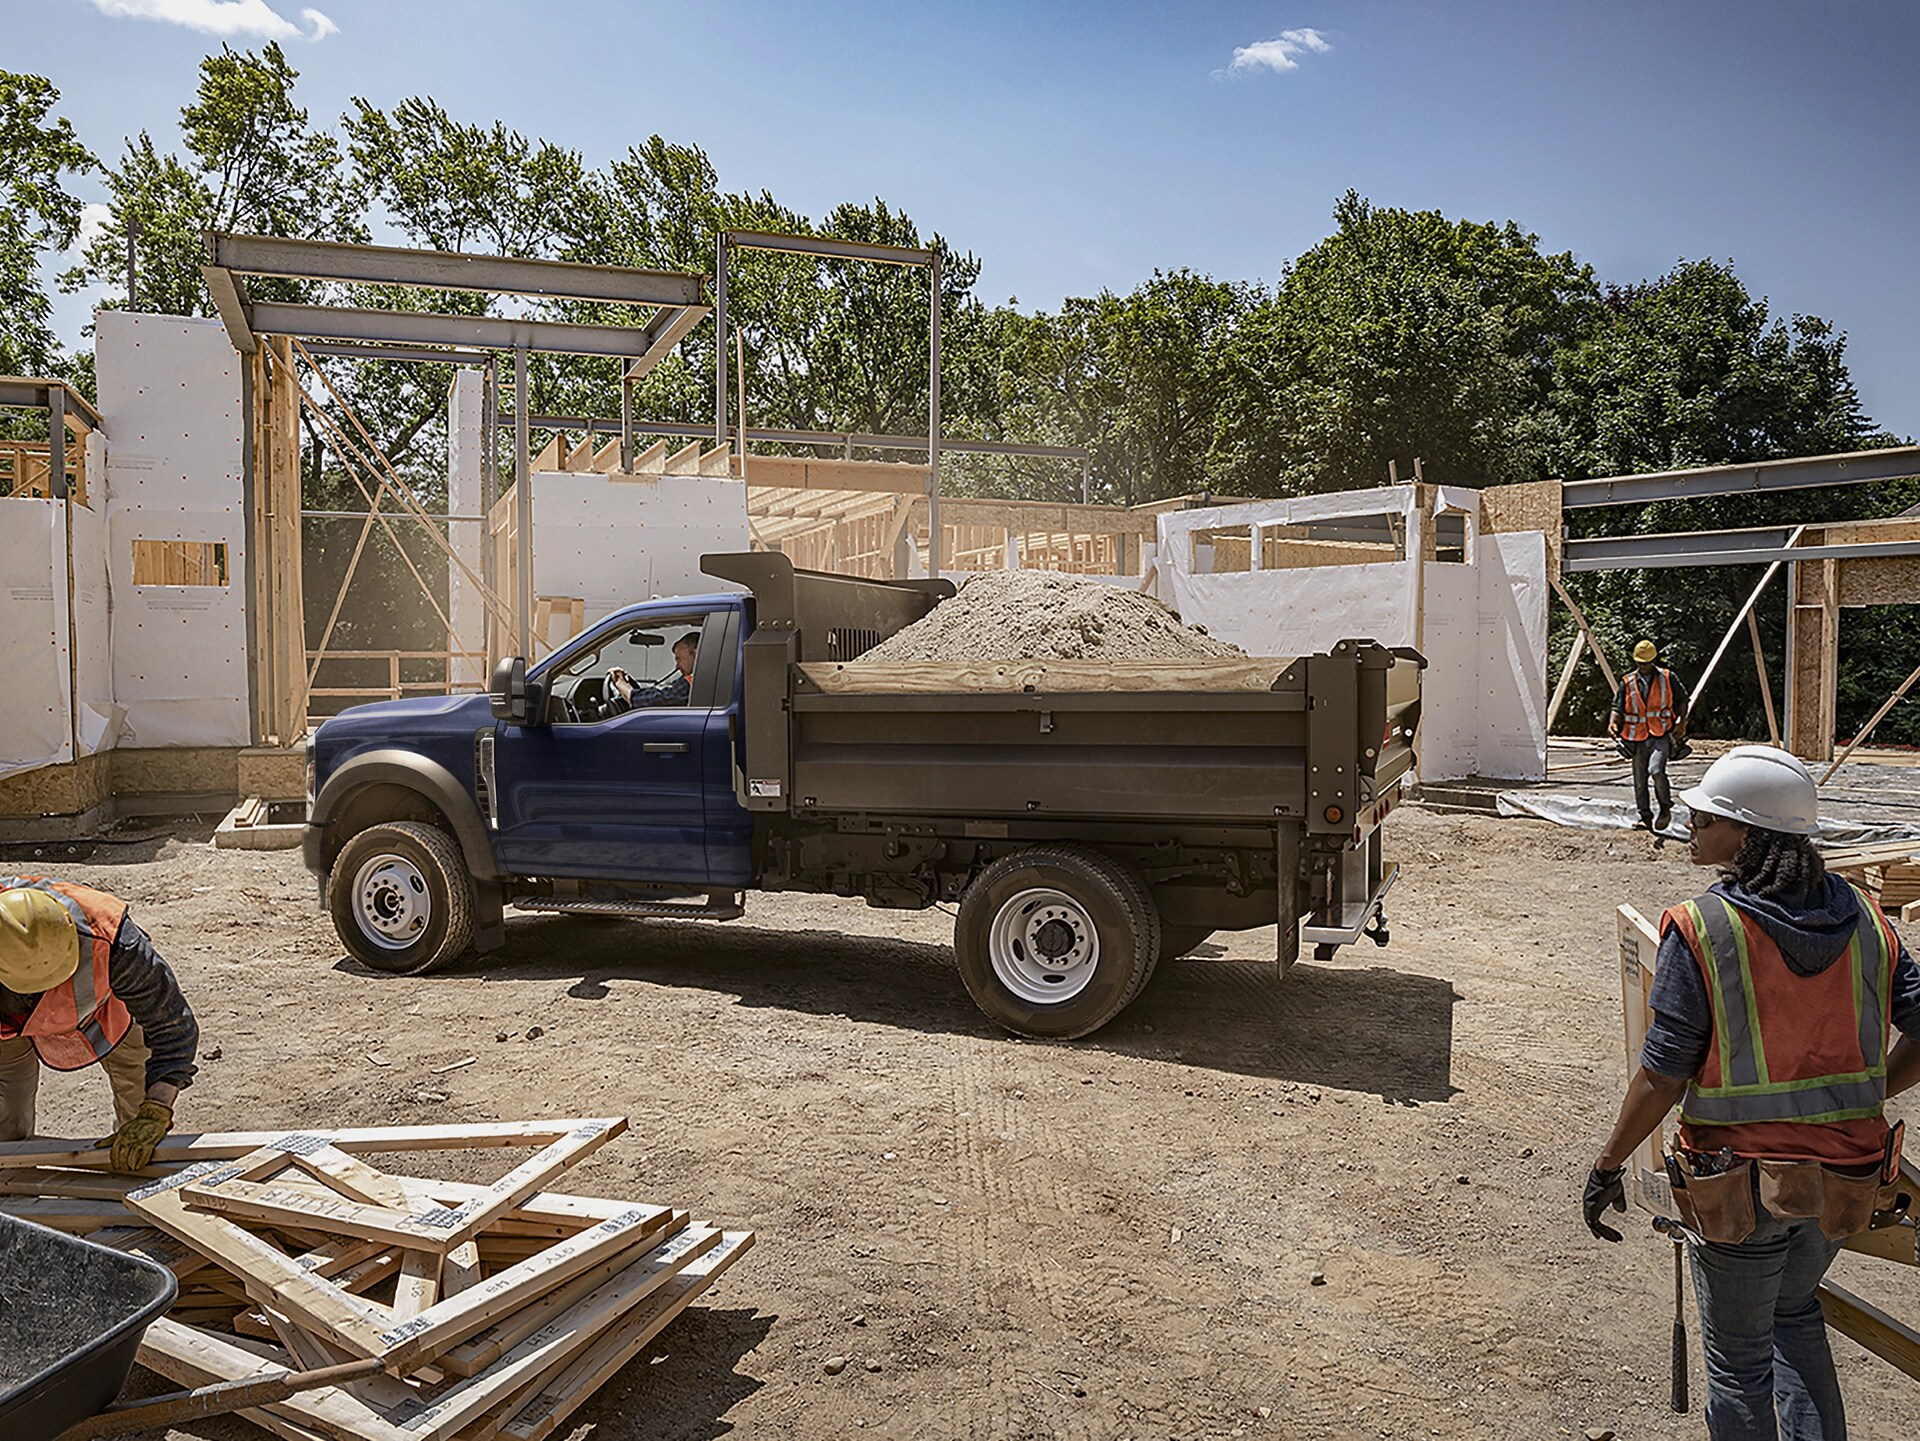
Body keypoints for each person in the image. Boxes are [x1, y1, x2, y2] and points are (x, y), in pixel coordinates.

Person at [1584, 746, 1920, 1439]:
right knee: (1794, 1316)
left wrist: (1608, 1162)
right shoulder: (1865, 919)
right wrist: (1869, 1092)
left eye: (1706, 815)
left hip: (1739, 1186)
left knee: (1739, 1365)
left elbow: (1663, 1072)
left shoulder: (1704, 926)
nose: (1690, 824)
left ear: (1748, 834)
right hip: (1847, 1178)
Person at [0, 877, 199, 1171]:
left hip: (105, 1012)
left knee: (138, 1122)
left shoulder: (114, 940)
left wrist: (156, 1109)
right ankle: (10, 1185)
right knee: (5, 1118)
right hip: (7, 1031)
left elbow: (172, 1027)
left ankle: (136, 1186)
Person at [1610, 639, 1691, 831]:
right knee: (1639, 780)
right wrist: (1613, 722)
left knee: (1656, 770)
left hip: (1660, 734)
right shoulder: (1627, 682)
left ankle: (1665, 807)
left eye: (1646, 663)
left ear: (1653, 660)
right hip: (1637, 737)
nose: (1643, 666)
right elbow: (1617, 706)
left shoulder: (1667, 678)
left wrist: (1681, 721)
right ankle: (1644, 816)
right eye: (1640, 663)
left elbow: (1682, 700)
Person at [605, 631, 699, 713]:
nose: (677, 666)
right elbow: (663, 691)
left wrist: (621, 684)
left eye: (679, 659)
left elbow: (660, 699)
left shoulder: (697, 681)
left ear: (696, 653)